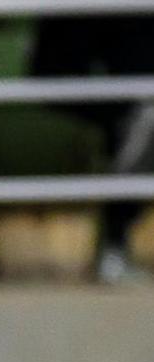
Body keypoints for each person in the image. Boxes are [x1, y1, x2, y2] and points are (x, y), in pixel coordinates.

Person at [31, 16, 154, 284]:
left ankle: (115, 245)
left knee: (143, 117)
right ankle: (114, 246)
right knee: (143, 120)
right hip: (71, 85)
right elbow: (55, 61)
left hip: (125, 93)